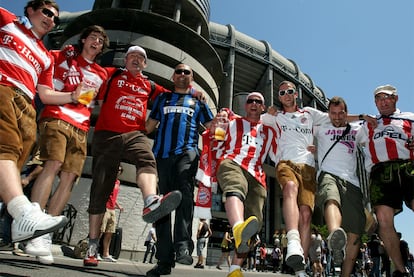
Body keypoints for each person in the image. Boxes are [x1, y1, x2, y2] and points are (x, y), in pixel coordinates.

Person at [83, 45, 182, 267]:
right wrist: (78, 105)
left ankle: (150, 201)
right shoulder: (112, 74)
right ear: (125, 60)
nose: (137, 60)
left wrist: (195, 93)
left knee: (147, 159)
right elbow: (89, 89)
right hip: (107, 134)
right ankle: (91, 246)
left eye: (141, 58)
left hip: (135, 133)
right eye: (132, 56)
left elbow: (174, 96)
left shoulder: (149, 85)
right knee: (100, 187)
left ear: (145, 64)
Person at [24, 24, 109, 265]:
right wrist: (63, 53)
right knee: (53, 163)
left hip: (81, 127)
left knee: (70, 176)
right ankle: (34, 224)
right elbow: (40, 59)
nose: (96, 42)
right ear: (83, 40)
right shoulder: (62, 57)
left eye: (100, 41)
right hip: (56, 116)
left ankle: (45, 234)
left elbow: (99, 102)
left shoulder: (101, 74)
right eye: (92, 37)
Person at [0, 1, 81, 245]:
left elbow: (45, 93)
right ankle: (24, 213)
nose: (51, 20)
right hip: (3, 88)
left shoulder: (46, 57)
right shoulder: (7, 22)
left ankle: (20, 224)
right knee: (6, 148)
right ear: (30, 10)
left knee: (15, 161)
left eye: (55, 18)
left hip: (27, 105)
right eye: (46, 12)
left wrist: (72, 96)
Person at [145, 63, 213, 276]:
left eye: (187, 72)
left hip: (188, 153)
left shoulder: (198, 102)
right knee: (162, 207)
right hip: (162, 156)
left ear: (191, 79)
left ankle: (183, 246)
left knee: (184, 194)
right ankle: (164, 261)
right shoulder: (163, 99)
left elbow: (213, 127)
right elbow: (148, 126)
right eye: (179, 71)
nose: (182, 74)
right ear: (173, 76)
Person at [261, 81, 330, 276]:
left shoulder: (309, 113)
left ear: (296, 94)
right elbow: (253, 119)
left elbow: (335, 118)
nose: (287, 94)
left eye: (290, 91)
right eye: (282, 92)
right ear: (279, 96)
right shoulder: (275, 116)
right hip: (286, 162)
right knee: (289, 187)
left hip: (307, 166)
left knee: (306, 215)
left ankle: (301, 266)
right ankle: (293, 240)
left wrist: (361, 118)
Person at [214, 92, 278, 277]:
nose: (254, 104)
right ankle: (236, 228)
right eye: (250, 100)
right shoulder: (232, 121)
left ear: (263, 108)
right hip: (232, 162)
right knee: (236, 186)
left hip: (257, 175)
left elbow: (279, 154)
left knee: (254, 222)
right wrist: (220, 117)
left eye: (259, 101)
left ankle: (235, 269)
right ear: (245, 104)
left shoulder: (269, 131)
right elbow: (216, 135)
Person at [361, 85, 414, 277]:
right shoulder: (368, 123)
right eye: (379, 98)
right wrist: (360, 117)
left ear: (396, 99)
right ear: (375, 102)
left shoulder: (409, 117)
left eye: (387, 97)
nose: (383, 101)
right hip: (381, 171)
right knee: (383, 221)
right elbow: (338, 121)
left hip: (408, 167)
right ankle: (401, 271)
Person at [314, 96, 367, 276]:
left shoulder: (357, 130)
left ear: (346, 113)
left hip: (352, 182)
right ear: (328, 113)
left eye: (340, 113)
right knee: (331, 199)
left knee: (355, 233)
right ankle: (335, 236)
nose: (336, 117)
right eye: (333, 113)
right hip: (328, 173)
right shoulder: (321, 128)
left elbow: (373, 140)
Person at [99, 165, 124, 263]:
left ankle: (106, 254)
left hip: (112, 209)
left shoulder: (118, 182)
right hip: (105, 207)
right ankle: (94, 251)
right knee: (100, 231)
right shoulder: (108, 180)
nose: (118, 171)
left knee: (109, 232)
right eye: (117, 169)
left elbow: (113, 196)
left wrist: (118, 206)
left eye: (120, 170)